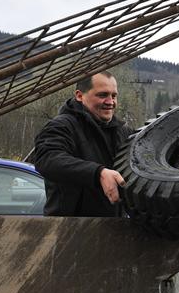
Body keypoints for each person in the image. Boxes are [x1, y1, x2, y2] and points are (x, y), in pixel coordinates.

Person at [34, 71, 134, 217]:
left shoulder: (123, 131)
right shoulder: (61, 126)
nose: (110, 102)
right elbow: (47, 159)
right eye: (102, 95)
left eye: (114, 96)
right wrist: (98, 173)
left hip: (116, 227)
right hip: (70, 228)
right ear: (80, 96)